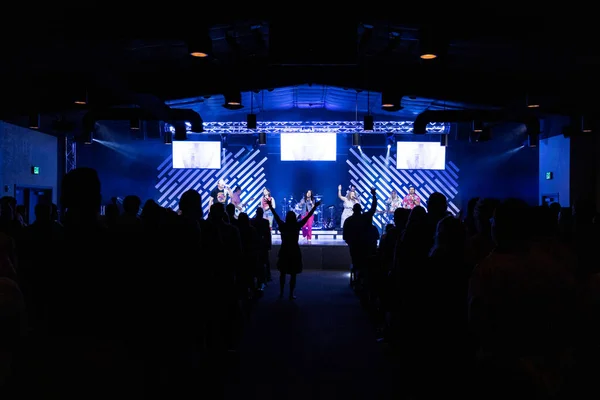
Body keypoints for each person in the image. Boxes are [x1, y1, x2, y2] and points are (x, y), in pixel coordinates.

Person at [266, 197, 320, 299]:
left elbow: (276, 216)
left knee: (283, 273)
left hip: (284, 250)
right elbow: (308, 216)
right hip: (294, 251)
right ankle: (291, 294)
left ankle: (281, 293)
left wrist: (270, 206)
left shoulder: (283, 225)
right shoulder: (297, 225)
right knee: (293, 274)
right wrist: (315, 206)